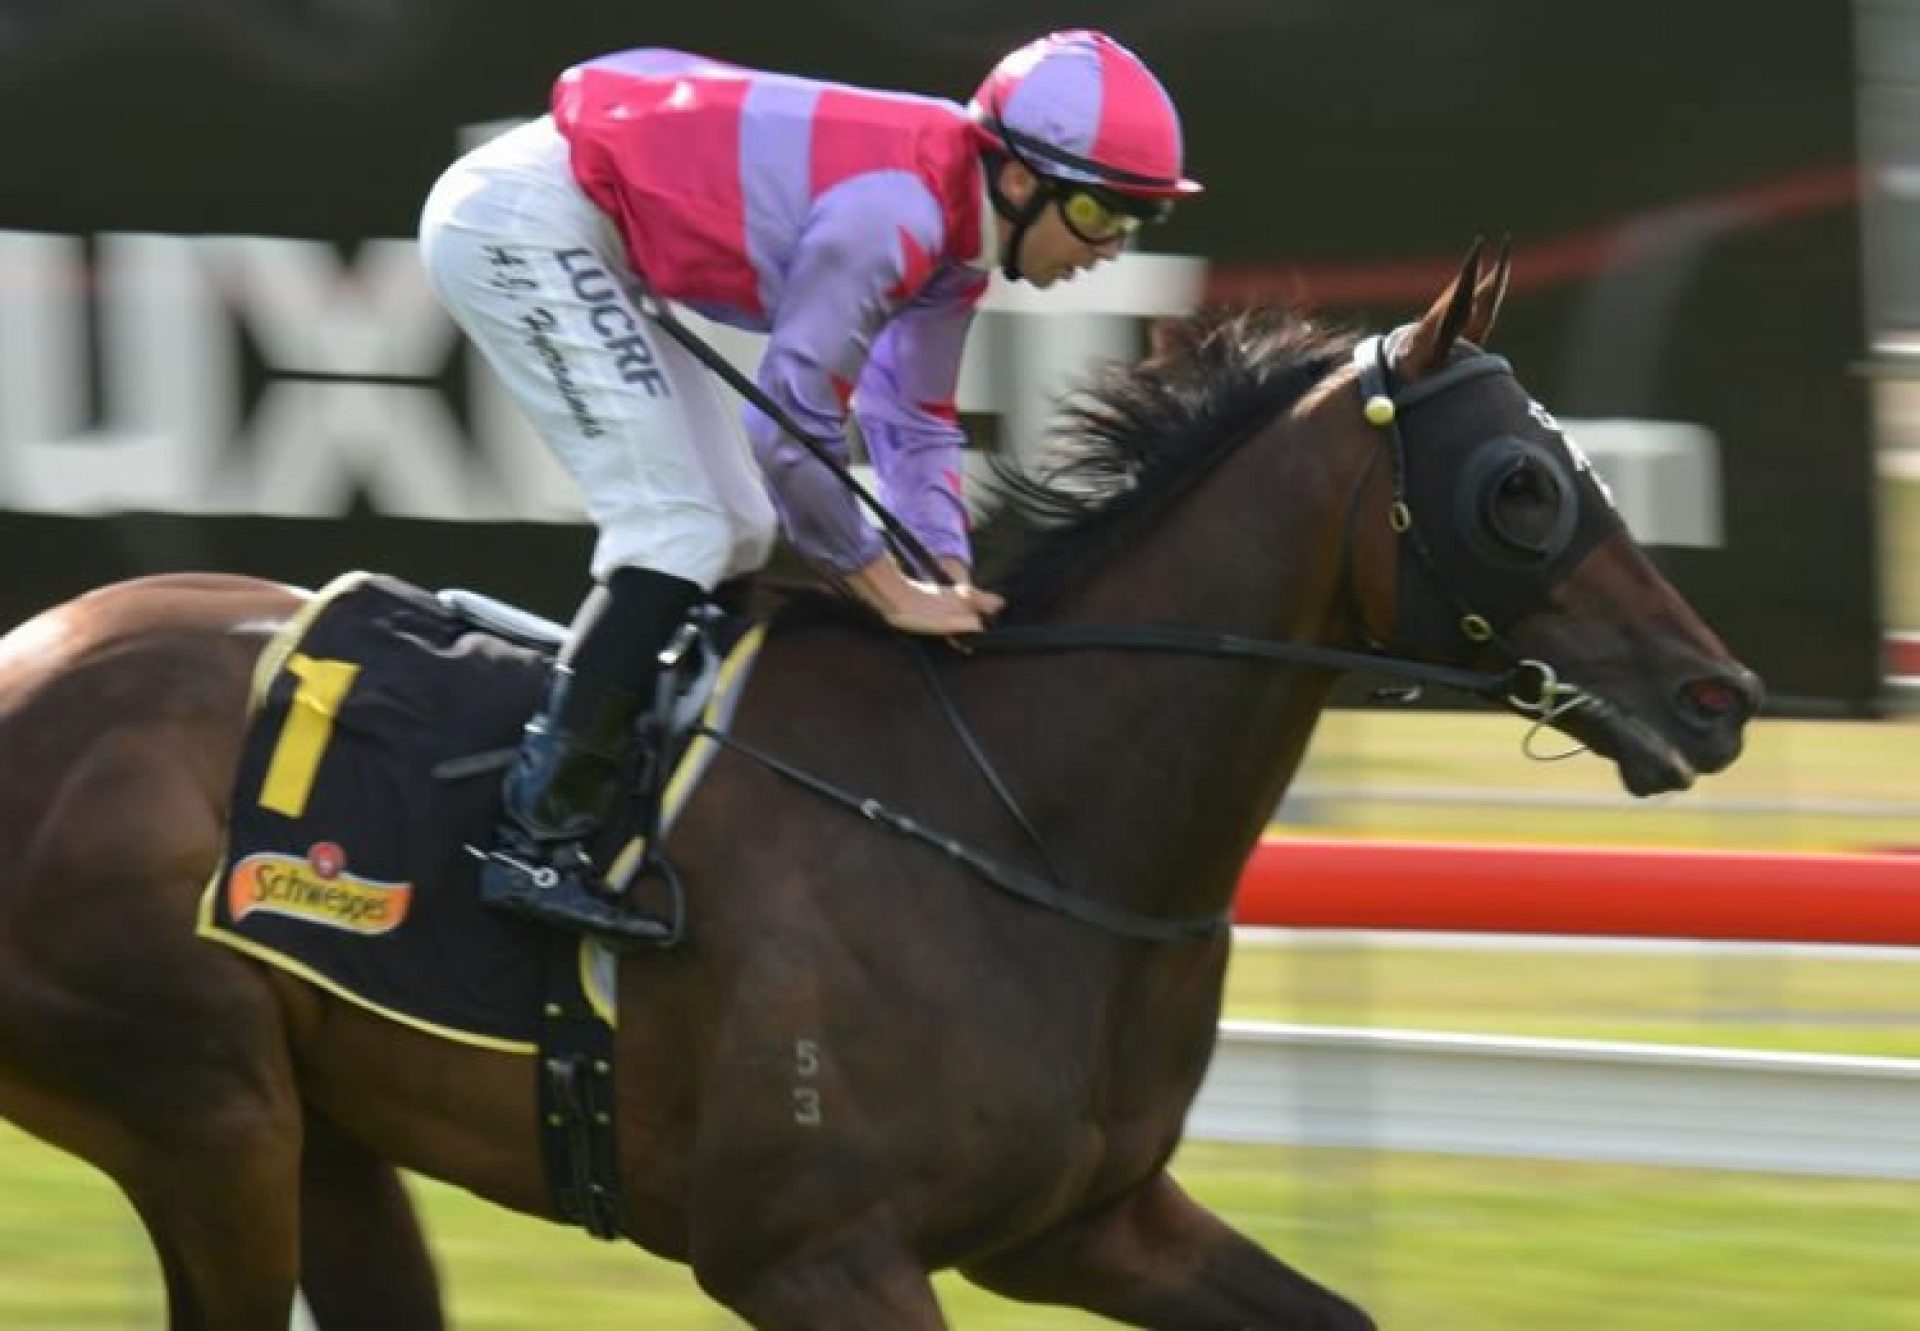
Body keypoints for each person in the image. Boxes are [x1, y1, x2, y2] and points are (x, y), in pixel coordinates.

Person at [417, 28, 1203, 944]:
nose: (1111, 247)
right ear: (1023, 182)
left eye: (1138, 224)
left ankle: (639, 767)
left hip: (590, 226)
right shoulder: (898, 218)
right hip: (519, 220)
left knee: (739, 526)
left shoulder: (957, 235)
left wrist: (941, 567)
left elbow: (912, 419)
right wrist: (880, 587)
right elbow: (791, 428)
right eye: (1104, 215)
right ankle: (534, 835)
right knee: (679, 528)